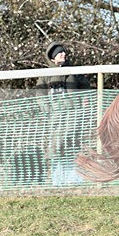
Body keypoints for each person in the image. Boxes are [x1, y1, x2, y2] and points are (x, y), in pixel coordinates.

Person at [36, 42, 91, 186]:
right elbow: (39, 94)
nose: (63, 55)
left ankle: (74, 180)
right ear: (53, 57)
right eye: (60, 53)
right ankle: (57, 181)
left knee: (73, 147)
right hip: (56, 118)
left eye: (64, 53)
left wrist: (83, 100)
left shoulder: (74, 72)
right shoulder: (45, 75)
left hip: (74, 116)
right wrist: (47, 110)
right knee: (56, 148)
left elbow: (86, 86)